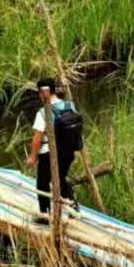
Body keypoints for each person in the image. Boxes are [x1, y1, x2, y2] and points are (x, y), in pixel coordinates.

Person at [28, 77, 80, 214]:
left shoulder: (43, 112)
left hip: (48, 153)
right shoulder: (70, 106)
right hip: (68, 152)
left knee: (42, 184)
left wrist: (32, 157)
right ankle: (74, 206)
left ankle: (45, 214)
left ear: (43, 92)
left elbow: (37, 139)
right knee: (61, 179)